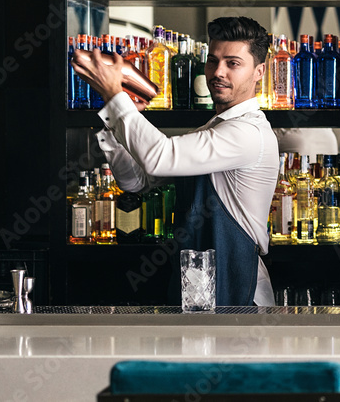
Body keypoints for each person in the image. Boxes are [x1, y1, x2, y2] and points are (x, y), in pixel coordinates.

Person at [71, 16, 279, 306]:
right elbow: (137, 182)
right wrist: (114, 123)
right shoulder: (212, 129)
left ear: (259, 72)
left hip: (237, 286)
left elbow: (160, 158)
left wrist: (115, 96)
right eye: (212, 61)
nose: (218, 72)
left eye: (233, 63)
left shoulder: (247, 132)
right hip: (196, 280)